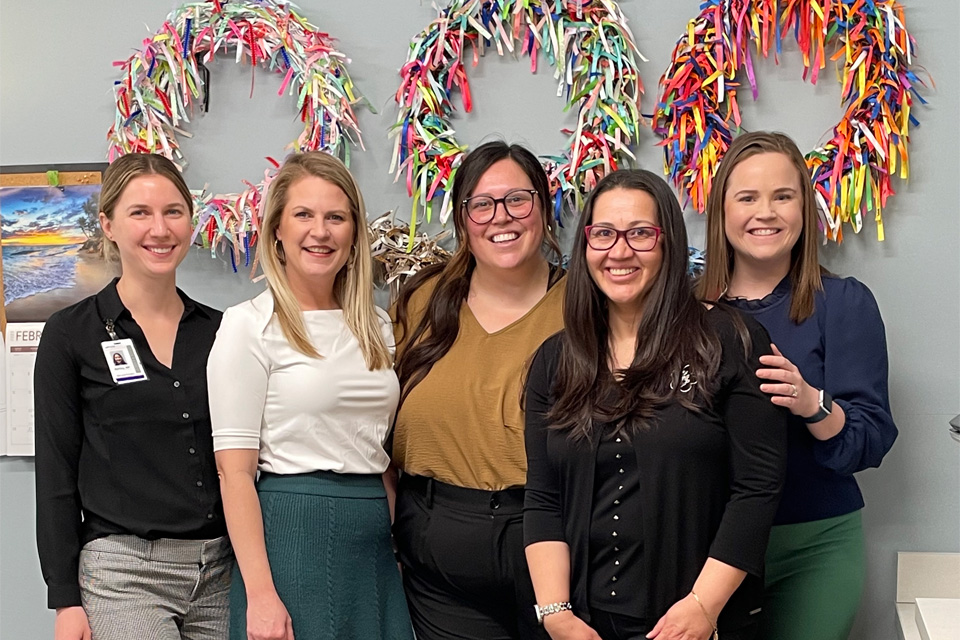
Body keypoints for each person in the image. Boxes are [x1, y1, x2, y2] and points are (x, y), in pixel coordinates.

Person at [524, 169, 788, 640]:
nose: (619, 251)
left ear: (668, 243)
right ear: (585, 247)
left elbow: (757, 489)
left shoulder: (728, 341)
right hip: (585, 624)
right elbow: (544, 498)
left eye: (640, 234)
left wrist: (702, 608)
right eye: (603, 234)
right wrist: (556, 614)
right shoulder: (556, 360)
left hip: (696, 620)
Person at [699, 131, 898, 640]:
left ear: (804, 211)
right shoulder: (686, 313)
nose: (765, 212)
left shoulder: (843, 303)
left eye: (783, 196)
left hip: (817, 546)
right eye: (747, 198)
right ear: (721, 213)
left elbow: (870, 439)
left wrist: (811, 402)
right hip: (706, 548)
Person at [207, 151, 413, 640]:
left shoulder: (377, 325)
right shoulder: (248, 326)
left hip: (372, 543)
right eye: (303, 215)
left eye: (335, 217)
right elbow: (233, 472)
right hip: (291, 537)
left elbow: (379, 453)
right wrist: (260, 594)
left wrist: (395, 549)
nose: (320, 231)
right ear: (277, 228)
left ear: (353, 232)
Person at [35, 153, 231, 640]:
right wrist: (65, 600)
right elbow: (56, 470)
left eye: (173, 211)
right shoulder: (69, 334)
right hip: (123, 572)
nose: (159, 229)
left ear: (190, 222)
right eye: (140, 213)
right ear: (108, 225)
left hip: (222, 571)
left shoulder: (224, 332)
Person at [390, 141, 565, 640]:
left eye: (518, 199)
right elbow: (370, 433)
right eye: (482, 204)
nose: (500, 218)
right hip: (437, 550)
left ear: (544, 209)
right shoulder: (422, 302)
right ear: (463, 218)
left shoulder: (585, 306)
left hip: (554, 541)